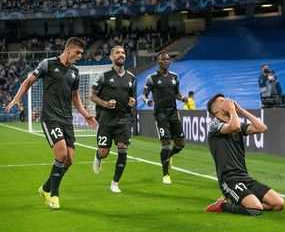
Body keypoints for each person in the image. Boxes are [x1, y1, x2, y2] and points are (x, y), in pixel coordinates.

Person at [5, 37, 98, 209]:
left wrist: (86, 116)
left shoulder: (75, 72)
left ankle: (45, 188)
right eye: (77, 53)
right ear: (68, 50)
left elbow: (75, 98)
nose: (79, 56)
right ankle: (53, 194)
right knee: (61, 154)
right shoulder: (47, 64)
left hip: (66, 120)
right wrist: (17, 99)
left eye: (81, 54)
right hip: (50, 118)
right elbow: (28, 81)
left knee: (69, 160)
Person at [205, 94, 285, 215]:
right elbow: (234, 126)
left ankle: (249, 201)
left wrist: (241, 111)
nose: (227, 101)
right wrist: (232, 110)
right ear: (215, 110)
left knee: (278, 203)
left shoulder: (236, 123)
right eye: (222, 101)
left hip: (244, 177)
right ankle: (223, 206)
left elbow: (262, 128)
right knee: (256, 209)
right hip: (229, 180)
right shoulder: (214, 125)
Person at [90, 46, 136, 193]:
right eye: (117, 52)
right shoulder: (103, 76)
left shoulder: (131, 78)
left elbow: (132, 98)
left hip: (124, 119)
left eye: (123, 52)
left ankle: (115, 183)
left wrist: (132, 103)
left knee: (123, 148)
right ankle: (98, 156)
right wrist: (105, 104)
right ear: (111, 57)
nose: (121, 55)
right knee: (104, 151)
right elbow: (92, 96)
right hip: (106, 119)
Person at [141, 52, 188, 184]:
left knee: (181, 144)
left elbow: (177, 94)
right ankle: (166, 174)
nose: (167, 61)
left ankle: (170, 156)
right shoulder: (152, 78)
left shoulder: (175, 77)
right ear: (158, 61)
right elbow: (143, 95)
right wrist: (147, 102)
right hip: (161, 115)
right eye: (164, 59)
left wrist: (183, 98)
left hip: (173, 114)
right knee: (166, 145)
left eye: (168, 59)